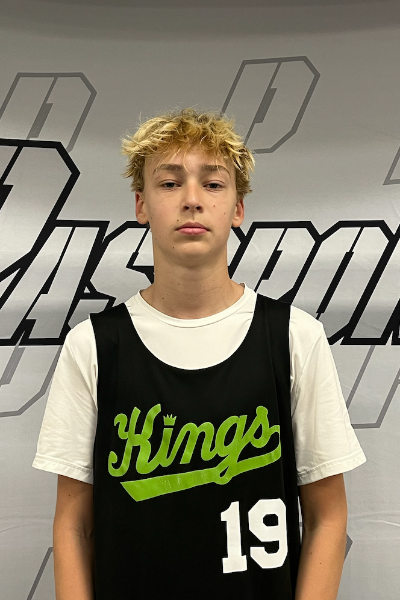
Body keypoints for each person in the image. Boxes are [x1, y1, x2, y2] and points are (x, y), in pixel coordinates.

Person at [33, 108, 366, 600]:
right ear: (142, 204)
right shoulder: (94, 345)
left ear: (237, 207)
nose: (191, 200)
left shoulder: (294, 336)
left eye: (212, 184)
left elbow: (327, 516)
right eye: (169, 183)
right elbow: (73, 525)